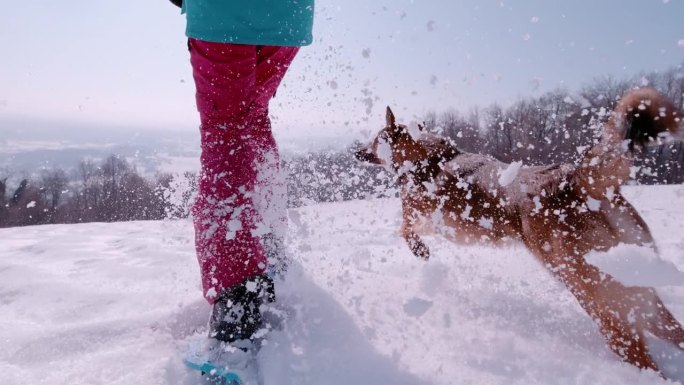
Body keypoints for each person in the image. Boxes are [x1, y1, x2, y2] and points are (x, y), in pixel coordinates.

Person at [171, 0, 314, 346]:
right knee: (252, 118)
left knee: (226, 132)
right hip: (287, 16)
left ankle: (237, 295)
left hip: (221, 14)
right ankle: (268, 239)